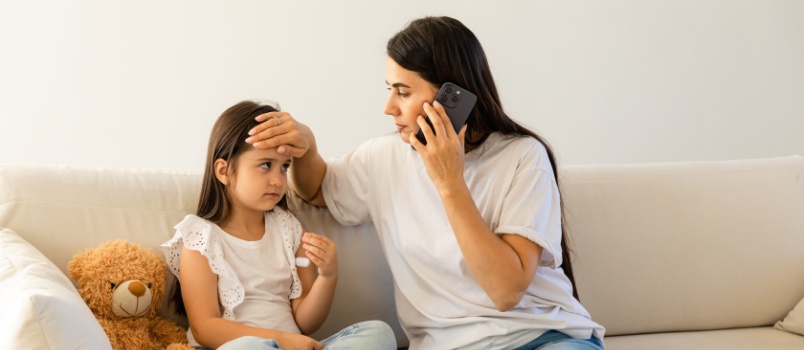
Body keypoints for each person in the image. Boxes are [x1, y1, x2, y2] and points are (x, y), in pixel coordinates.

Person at [247, 16, 605, 350]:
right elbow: (317, 189)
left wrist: (449, 182)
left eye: (403, 92)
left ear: (453, 98)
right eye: (390, 89)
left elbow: (505, 291)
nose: (389, 107)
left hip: (543, 337)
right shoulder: (384, 158)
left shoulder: (523, 158)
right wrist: (307, 146)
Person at [161, 100, 396, 350]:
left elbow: (305, 322)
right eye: (265, 165)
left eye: (284, 167)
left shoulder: (289, 230)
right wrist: (283, 341)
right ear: (224, 171)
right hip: (245, 348)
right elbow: (205, 328)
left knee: (380, 334)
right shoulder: (200, 238)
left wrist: (328, 276)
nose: (278, 180)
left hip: (295, 345)